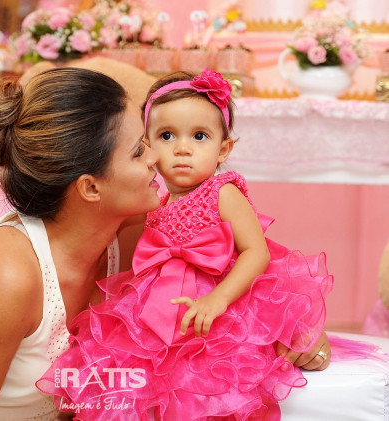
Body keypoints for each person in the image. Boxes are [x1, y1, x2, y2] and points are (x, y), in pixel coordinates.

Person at [0, 68, 331, 421]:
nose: (159, 158)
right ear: (90, 188)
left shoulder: (132, 229)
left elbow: (233, 273)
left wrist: (293, 333)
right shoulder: (9, 276)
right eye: (140, 149)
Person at [36, 69, 334, 420]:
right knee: (139, 370)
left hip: (219, 299)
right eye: (166, 136)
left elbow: (257, 251)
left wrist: (218, 299)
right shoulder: (154, 203)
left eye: (199, 136)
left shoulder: (223, 192)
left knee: (209, 377)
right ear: (147, 146)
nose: (181, 148)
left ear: (223, 148)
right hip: (163, 304)